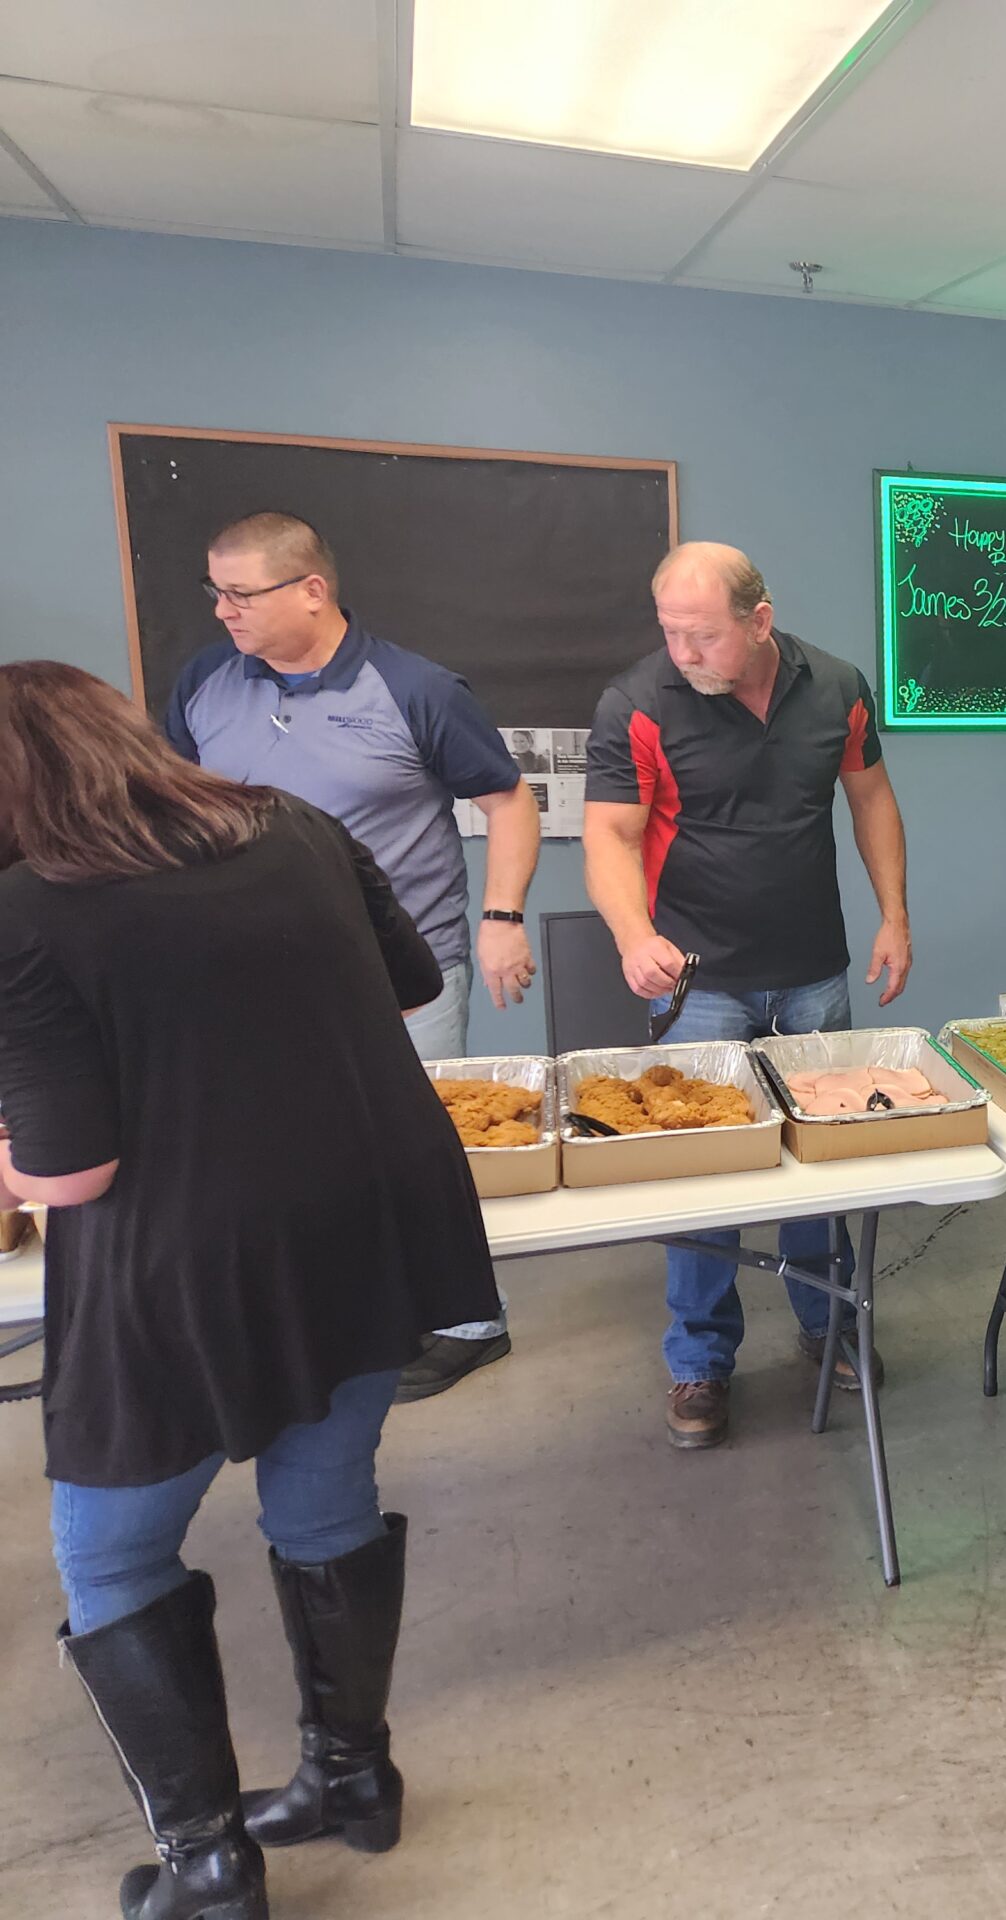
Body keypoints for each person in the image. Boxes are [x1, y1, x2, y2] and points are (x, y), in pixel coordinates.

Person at [0, 662, 500, 1920]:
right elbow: (411, 985)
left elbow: (68, 1173)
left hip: (184, 1259)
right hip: (365, 1214)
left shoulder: (25, 912)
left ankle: (211, 1864)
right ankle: (350, 1783)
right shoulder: (296, 825)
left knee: (112, 1557)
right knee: (323, 1492)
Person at [168, 511, 534, 1404]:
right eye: (214, 592)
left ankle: (468, 1322)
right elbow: (174, 806)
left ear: (312, 590)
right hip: (254, 981)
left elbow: (509, 803)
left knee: (421, 1149)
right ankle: (356, 1314)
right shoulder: (205, 683)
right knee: (295, 1153)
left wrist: (501, 917)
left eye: (240, 593)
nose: (223, 611)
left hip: (406, 970)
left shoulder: (414, 688)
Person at [585, 541, 912, 1449]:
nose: (682, 654)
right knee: (702, 1179)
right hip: (700, 982)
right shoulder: (638, 703)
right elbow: (610, 834)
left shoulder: (838, 685)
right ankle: (698, 1364)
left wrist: (895, 916)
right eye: (670, 634)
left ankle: (828, 1322)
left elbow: (872, 797)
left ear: (759, 621)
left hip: (815, 970)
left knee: (820, 1161)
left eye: (701, 636)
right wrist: (632, 936)